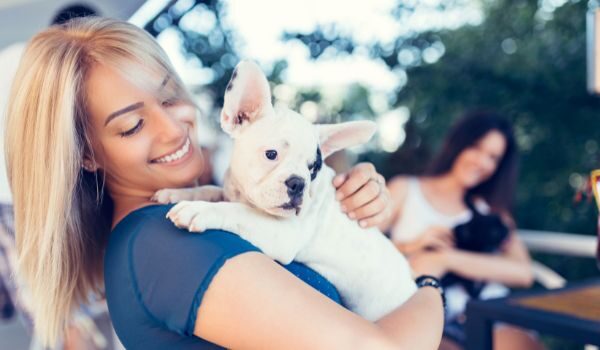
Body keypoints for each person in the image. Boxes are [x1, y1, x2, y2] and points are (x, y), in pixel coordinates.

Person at [6, 17, 444, 349]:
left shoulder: (180, 224)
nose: (173, 130)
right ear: (85, 154)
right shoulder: (168, 243)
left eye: (169, 96)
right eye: (134, 125)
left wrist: (341, 197)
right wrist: (428, 283)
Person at [380, 111, 543, 350]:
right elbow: (359, 249)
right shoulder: (405, 189)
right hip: (427, 313)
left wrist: (446, 259)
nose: (482, 162)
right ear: (459, 143)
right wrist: (411, 247)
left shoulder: (489, 210)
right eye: (476, 148)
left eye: (493, 157)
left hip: (489, 312)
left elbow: (523, 273)